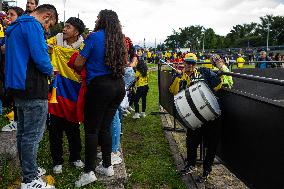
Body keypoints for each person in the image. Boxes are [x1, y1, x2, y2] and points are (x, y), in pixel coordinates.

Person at [5, 4, 58, 189]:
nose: (47, 28)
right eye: (49, 24)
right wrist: (51, 70)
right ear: (47, 16)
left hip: (17, 85)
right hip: (33, 86)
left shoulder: (16, 25)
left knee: (23, 134)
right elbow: (40, 57)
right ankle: (29, 180)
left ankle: (28, 169)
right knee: (32, 136)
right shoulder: (32, 25)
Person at [73, 9, 126, 187]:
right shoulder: (120, 39)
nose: (96, 20)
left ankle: (88, 172)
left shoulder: (94, 37)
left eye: (97, 18)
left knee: (91, 130)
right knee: (105, 128)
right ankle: (107, 166)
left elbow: (79, 63)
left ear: (101, 20)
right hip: (118, 86)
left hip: (99, 87)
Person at [170, 53, 233, 182]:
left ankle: (206, 170)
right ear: (184, 63)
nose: (189, 66)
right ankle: (190, 165)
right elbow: (175, 92)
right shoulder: (181, 76)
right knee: (191, 142)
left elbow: (221, 83)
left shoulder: (204, 71)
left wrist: (221, 66)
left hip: (211, 116)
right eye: (187, 63)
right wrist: (180, 77)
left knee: (211, 144)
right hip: (195, 116)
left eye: (192, 63)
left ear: (196, 64)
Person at [46, 17, 85, 174]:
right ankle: (57, 161)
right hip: (56, 90)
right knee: (55, 129)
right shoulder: (56, 40)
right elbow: (43, 46)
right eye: (65, 26)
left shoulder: (83, 47)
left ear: (76, 32)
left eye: (68, 27)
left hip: (74, 92)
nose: (64, 29)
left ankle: (75, 157)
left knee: (73, 128)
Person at [1, 6, 24, 132]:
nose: (8, 16)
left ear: (19, 18)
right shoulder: (9, 30)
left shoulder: (19, 31)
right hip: (9, 69)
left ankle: (17, 122)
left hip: (18, 70)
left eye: (12, 14)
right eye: (8, 14)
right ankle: (16, 121)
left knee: (18, 98)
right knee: (14, 97)